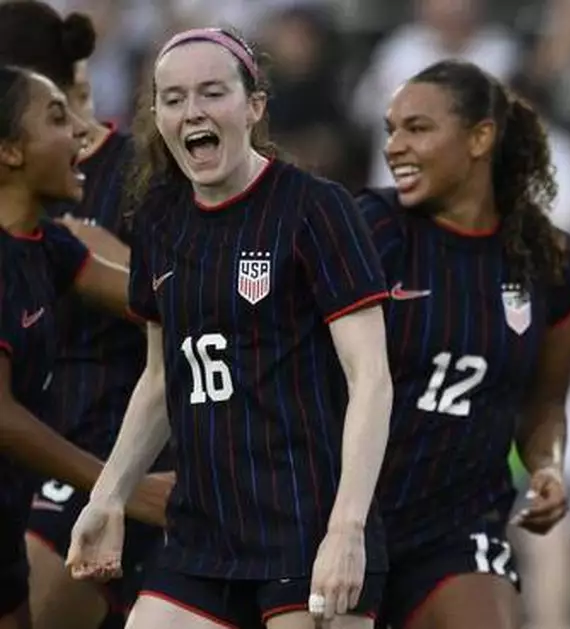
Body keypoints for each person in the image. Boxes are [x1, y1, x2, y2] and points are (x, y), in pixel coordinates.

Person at [63, 27, 394, 629]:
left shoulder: (314, 208)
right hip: (205, 533)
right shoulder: (160, 222)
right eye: (173, 98)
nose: (193, 111)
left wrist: (348, 527)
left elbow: (370, 377)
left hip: (308, 523)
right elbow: (162, 380)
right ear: (157, 115)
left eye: (212, 93)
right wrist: (107, 497)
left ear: (254, 106)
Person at [356, 59, 570, 629]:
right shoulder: (368, 230)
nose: (395, 146)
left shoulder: (553, 263)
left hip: (460, 525)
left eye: (417, 128)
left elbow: (543, 405)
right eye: (390, 129)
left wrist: (549, 468)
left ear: (480, 137)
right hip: (347, 515)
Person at [0, 4, 167, 628]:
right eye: (57, 118)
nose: (81, 133)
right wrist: (119, 486)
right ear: (10, 150)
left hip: (29, 500)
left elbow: (162, 302)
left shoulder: (53, 245)